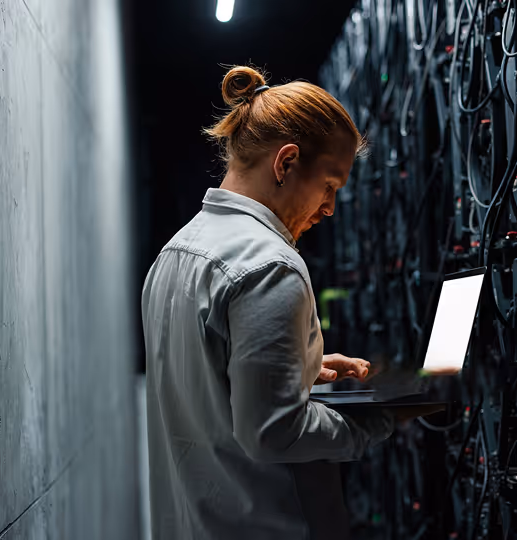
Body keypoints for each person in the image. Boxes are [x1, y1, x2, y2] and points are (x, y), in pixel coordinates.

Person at [141, 66, 395, 540]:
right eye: (330, 186)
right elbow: (274, 432)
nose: (329, 208)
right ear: (286, 162)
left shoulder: (173, 255)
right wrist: (369, 422)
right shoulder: (271, 266)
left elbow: (209, 390)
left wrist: (297, 369)